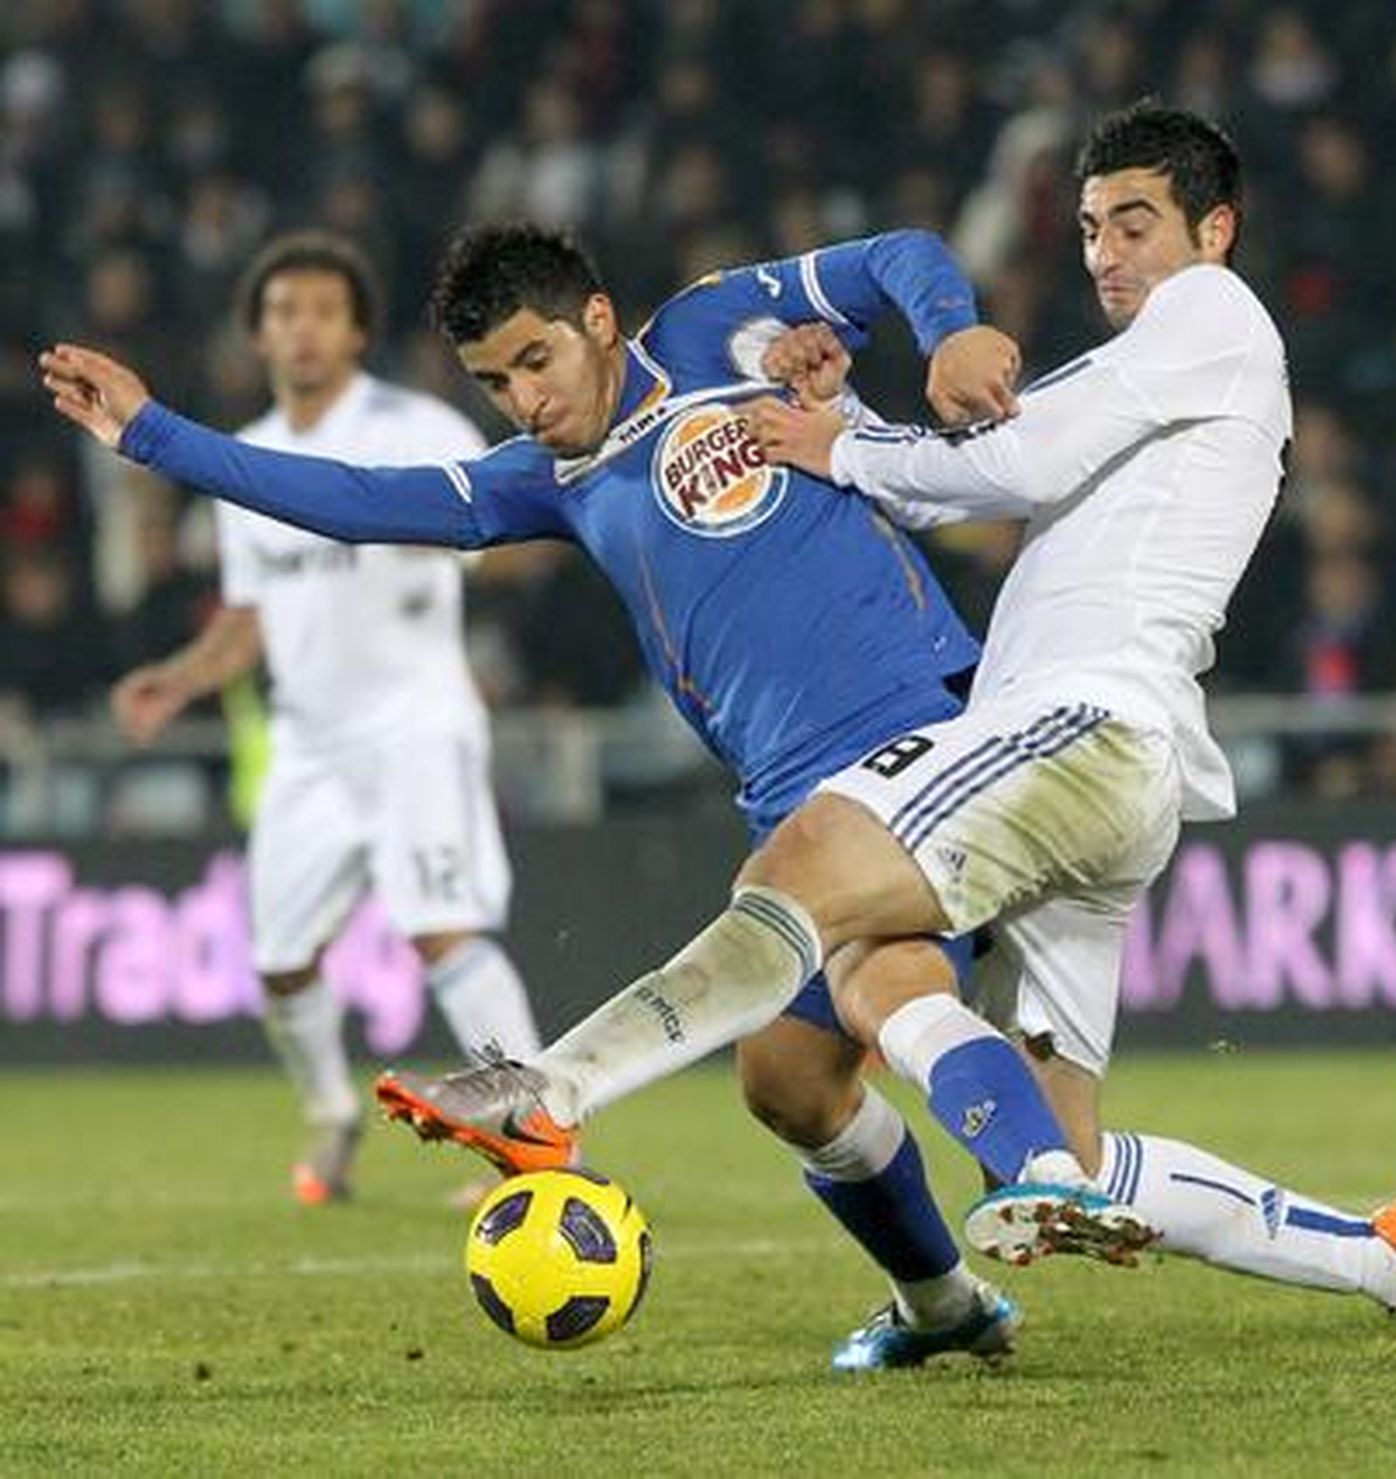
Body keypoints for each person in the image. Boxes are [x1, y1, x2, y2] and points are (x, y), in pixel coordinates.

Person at [361, 105, 1396, 1361]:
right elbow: (985, 480)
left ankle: (549, 1089)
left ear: (1216, 228)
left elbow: (1009, 470)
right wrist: (852, 426)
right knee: (1068, 1146)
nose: (1103, 255)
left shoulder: (1211, 314)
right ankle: (1389, 1256)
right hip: (1089, 762)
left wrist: (844, 441)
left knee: (800, 872)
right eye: (1087, 228)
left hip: (1077, 725)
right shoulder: (1145, 374)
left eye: (1132, 223)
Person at [43, 222, 1134, 1372]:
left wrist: (951, 329)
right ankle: (946, 1304)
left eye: (533, 361)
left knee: (885, 985)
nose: (521, 399)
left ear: (598, 321)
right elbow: (358, 499)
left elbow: (898, 254)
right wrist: (152, 436)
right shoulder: (545, 483)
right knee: (786, 1081)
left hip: (922, 732)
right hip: (790, 794)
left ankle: (1037, 1174)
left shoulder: (721, 329)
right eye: (492, 382)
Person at [104, 231, 543, 1206]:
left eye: (321, 311)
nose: (301, 328)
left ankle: (536, 1135)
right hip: (308, 747)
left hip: (416, 726)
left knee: (442, 928)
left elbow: (519, 532)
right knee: (279, 963)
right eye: (283, 312)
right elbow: (250, 620)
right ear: (258, 334)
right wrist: (177, 679)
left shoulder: (417, 431)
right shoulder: (246, 463)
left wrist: (455, 541)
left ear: (355, 332)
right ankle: (333, 1114)